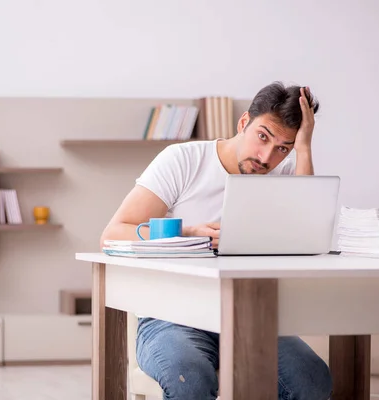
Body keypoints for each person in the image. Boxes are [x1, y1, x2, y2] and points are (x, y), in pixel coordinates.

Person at [100, 82, 333, 400]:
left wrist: (304, 148)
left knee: (313, 381)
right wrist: (186, 233)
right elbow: (114, 232)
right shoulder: (183, 160)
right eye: (263, 136)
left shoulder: (285, 175)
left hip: (249, 316)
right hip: (172, 317)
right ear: (243, 123)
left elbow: (308, 239)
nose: (266, 157)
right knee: (190, 380)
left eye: (284, 147)